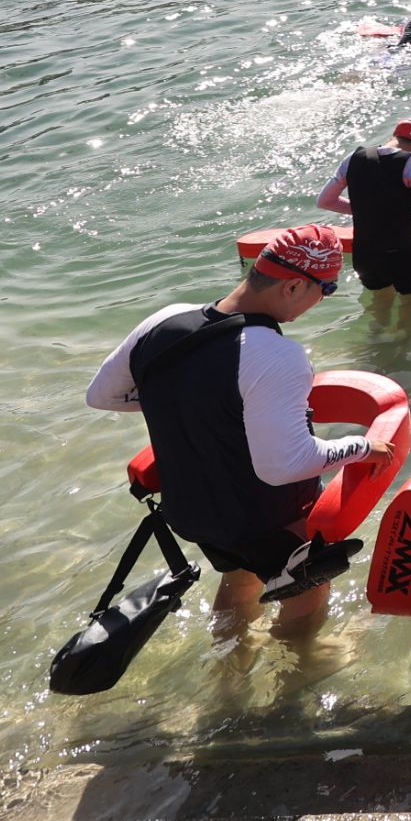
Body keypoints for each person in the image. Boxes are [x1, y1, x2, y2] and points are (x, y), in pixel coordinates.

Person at [85, 226, 381, 638]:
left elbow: (102, 395)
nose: (324, 299)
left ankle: (227, 664)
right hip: (262, 519)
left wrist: (200, 404)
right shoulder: (277, 355)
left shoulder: (163, 320)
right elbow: (286, 465)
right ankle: (296, 671)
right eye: (327, 289)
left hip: (190, 508)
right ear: (294, 286)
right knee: (305, 592)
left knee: (240, 577)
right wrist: (362, 446)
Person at [317, 115, 411, 296]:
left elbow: (325, 201)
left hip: (364, 254)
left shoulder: (352, 158)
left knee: (379, 305)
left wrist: (367, 211)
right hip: (402, 252)